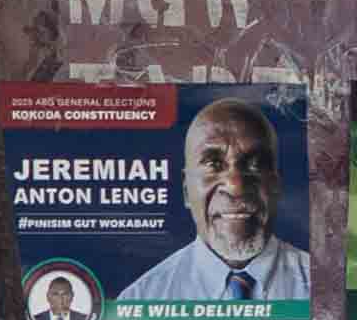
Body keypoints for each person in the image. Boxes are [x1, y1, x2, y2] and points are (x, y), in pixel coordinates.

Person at [116, 88, 311, 308]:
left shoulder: (325, 291)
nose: (235, 186)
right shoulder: (140, 301)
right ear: (186, 191)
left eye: (255, 164)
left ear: (276, 184)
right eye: (213, 165)